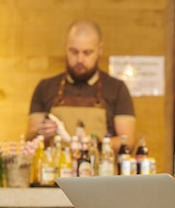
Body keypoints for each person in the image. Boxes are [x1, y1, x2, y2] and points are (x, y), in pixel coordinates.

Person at [27, 20, 136, 151]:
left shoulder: (117, 89)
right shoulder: (45, 87)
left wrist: (98, 143)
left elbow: (128, 141)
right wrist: (41, 134)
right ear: (65, 47)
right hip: (57, 169)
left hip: (101, 170)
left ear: (100, 50)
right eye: (74, 52)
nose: (80, 59)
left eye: (87, 52)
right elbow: (30, 138)